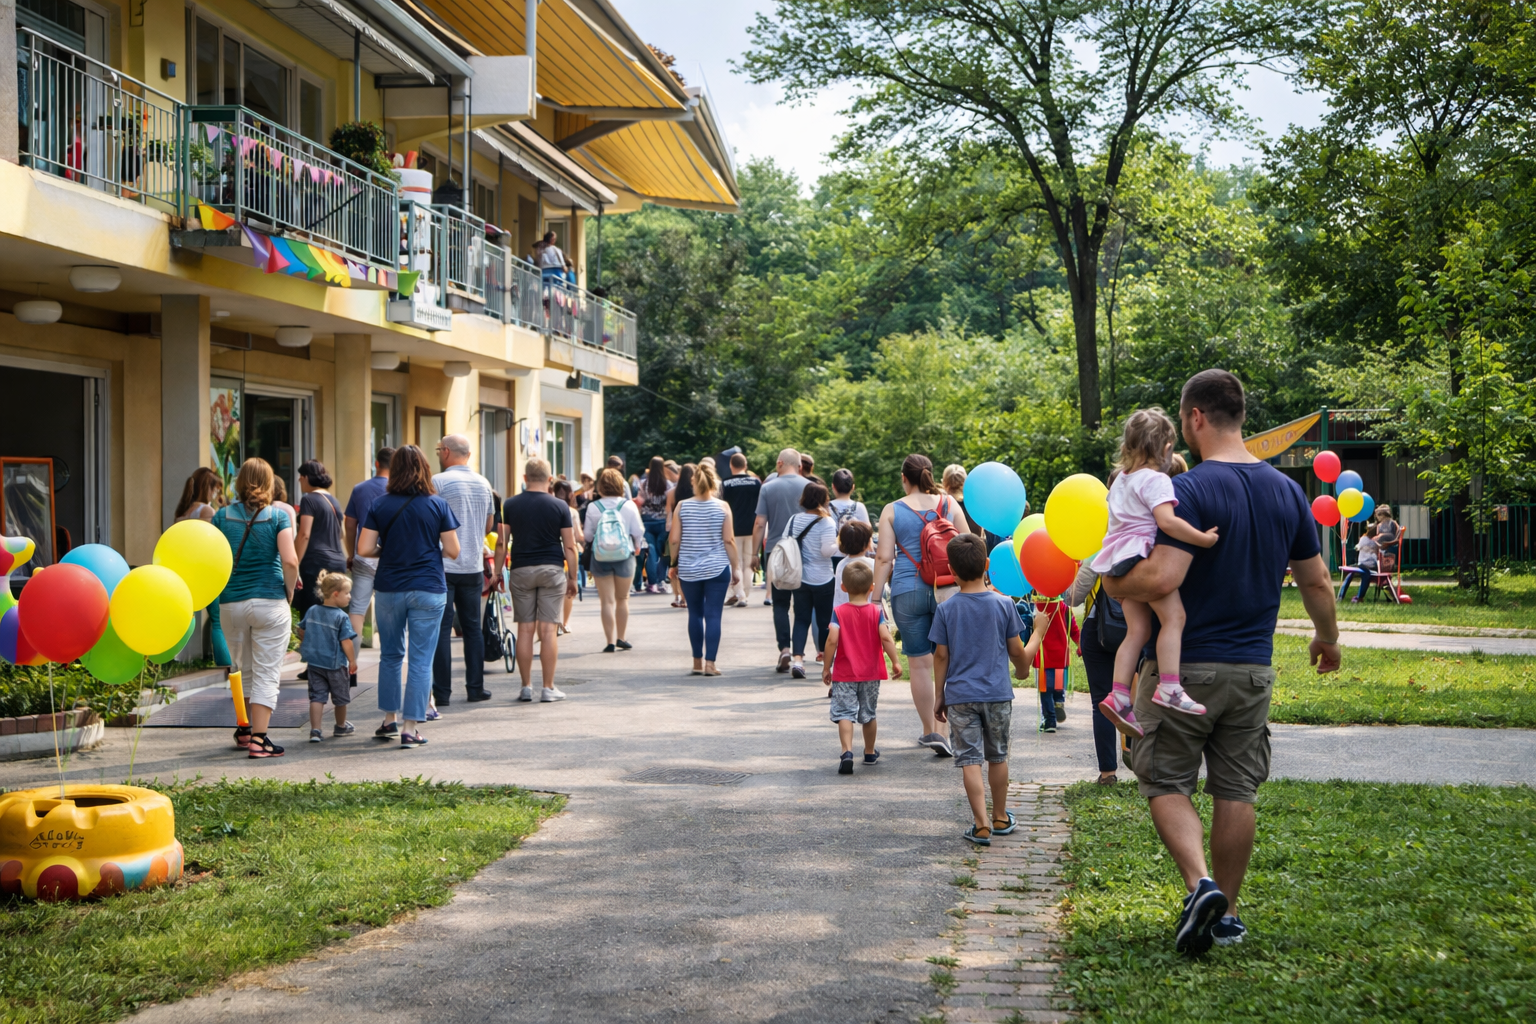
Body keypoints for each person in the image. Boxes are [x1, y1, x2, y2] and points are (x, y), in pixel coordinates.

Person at [1104, 369, 1341, 955]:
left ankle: (1200, 885)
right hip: (1253, 670)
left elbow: (1162, 577)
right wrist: (1326, 639)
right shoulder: (1287, 490)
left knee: (1164, 779)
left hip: (1185, 672)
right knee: (1237, 789)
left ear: (1195, 418)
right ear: (1240, 415)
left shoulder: (1188, 489)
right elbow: (1316, 580)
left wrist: (1110, 583)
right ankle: (1228, 916)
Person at [1094, 409, 1223, 738]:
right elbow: (1167, 522)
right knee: (1174, 618)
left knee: (1137, 630)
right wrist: (1202, 538)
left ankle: (1119, 695)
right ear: (1166, 449)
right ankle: (1169, 686)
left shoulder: (1121, 480)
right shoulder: (1156, 480)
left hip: (1117, 561)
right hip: (1140, 557)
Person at [931, 533, 1048, 845]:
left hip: (960, 698)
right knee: (998, 756)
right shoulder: (1004, 604)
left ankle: (980, 824)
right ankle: (999, 816)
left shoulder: (945, 609)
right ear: (987, 565)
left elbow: (941, 656)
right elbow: (1018, 655)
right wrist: (1038, 632)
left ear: (951, 570)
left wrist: (940, 694)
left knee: (969, 760)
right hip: (997, 695)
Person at [357, 445, 461, 749]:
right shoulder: (438, 505)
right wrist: (430, 551)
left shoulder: (379, 504)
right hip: (428, 588)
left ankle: (389, 719)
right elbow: (453, 551)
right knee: (420, 660)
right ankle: (410, 727)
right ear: (426, 469)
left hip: (389, 588)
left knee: (390, 655)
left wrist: (386, 551)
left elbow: (364, 548)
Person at [871, 453, 975, 756]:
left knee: (918, 663)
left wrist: (876, 599)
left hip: (908, 591)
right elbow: (969, 545)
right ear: (930, 474)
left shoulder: (892, 510)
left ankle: (930, 729)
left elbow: (884, 558)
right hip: (948, 589)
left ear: (904, 478)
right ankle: (944, 731)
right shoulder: (949, 503)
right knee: (949, 658)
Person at [211, 458, 298, 759]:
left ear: (239, 482)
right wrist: (289, 590)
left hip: (231, 604)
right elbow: (290, 561)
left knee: (242, 669)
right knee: (267, 672)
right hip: (269, 602)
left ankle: (245, 729)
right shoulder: (278, 516)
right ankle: (260, 741)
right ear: (270, 483)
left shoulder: (221, 516)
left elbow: (211, 558)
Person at [496, 457, 580, 702]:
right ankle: (548, 688)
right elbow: (570, 546)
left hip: (521, 570)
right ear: (550, 480)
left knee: (525, 629)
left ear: (525, 478)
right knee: (548, 629)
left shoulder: (510, 505)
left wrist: (497, 573)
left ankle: (525, 687)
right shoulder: (560, 506)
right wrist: (573, 577)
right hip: (552, 570)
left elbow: (501, 542)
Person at [430, 434, 496, 706]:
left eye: (438, 450)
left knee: (442, 630)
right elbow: (489, 525)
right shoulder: (484, 483)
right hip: (472, 566)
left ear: (446, 451)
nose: (438, 453)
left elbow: (430, 519)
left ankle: (442, 693)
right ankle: (475, 688)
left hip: (443, 565)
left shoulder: (437, 482)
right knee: (472, 629)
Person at [822, 558, 903, 774]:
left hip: (845, 674)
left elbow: (832, 640)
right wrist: (895, 661)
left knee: (845, 714)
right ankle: (869, 752)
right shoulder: (876, 612)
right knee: (869, 713)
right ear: (871, 588)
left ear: (843, 587)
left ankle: (847, 752)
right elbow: (885, 638)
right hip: (870, 673)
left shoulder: (839, 612)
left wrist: (826, 667)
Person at [668, 461, 738, 676]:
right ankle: (710, 664)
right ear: (714, 483)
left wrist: (673, 564)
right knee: (714, 615)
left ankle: (697, 662)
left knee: (695, 614)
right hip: (717, 568)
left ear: (693, 483)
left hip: (689, 569)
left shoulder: (682, 506)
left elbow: (674, 540)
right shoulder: (723, 507)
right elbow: (729, 540)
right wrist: (736, 567)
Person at [751, 448, 811, 668]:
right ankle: (799, 654)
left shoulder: (768, 487)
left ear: (779, 464)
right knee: (802, 605)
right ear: (800, 466)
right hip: (804, 552)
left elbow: (760, 523)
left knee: (780, 603)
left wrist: (754, 553)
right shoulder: (809, 487)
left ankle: (784, 649)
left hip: (776, 552)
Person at [1067, 559, 1124, 785]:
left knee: (1102, 700)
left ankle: (1108, 773)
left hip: (1099, 631)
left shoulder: (1097, 552)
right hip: (1139, 627)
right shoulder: (1145, 544)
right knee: (1140, 697)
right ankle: (1144, 765)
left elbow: (1073, 598)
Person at [780, 481, 839, 679]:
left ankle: (798, 660)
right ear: (824, 499)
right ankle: (825, 659)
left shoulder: (794, 519)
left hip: (800, 577)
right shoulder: (827, 522)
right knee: (824, 621)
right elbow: (826, 551)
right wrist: (839, 543)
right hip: (823, 578)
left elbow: (785, 542)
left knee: (801, 619)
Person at [583, 467, 645, 652]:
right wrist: (637, 546)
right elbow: (638, 531)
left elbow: (588, 536)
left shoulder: (593, 507)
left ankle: (609, 641)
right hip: (624, 555)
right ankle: (621, 638)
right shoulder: (628, 505)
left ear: (600, 486)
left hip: (600, 557)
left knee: (606, 601)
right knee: (623, 598)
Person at [176, 468, 230, 666]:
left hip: (187, 569)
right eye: (215, 489)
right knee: (218, 618)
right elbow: (214, 540)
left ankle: (178, 659)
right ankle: (226, 664)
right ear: (207, 488)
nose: (216, 494)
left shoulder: (183, 512)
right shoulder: (206, 511)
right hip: (207, 569)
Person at [297, 570, 358, 743]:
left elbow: (301, 629)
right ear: (335, 594)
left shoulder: (312, 610)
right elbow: (346, 642)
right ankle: (340, 726)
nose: (350, 596)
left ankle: (315, 731)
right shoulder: (341, 616)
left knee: (317, 697)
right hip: (336, 665)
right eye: (347, 593)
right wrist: (352, 660)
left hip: (315, 663)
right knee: (340, 698)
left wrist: (309, 642)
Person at [344, 448, 393, 644]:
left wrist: (351, 553)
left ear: (376, 463)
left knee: (357, 610)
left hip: (364, 557)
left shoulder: (360, 489)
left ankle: (352, 659)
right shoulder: (399, 490)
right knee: (391, 611)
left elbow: (349, 524)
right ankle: (392, 658)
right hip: (390, 558)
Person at [293, 460, 347, 618]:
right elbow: (341, 534)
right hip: (337, 562)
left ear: (307, 477)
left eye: (301, 476)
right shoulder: (334, 501)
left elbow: (304, 534)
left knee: (312, 614)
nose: (299, 480)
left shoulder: (309, 499)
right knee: (332, 613)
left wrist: (295, 563)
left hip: (316, 565)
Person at [719, 453, 762, 608]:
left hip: (732, 528)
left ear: (731, 465)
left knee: (735, 563)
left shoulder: (725, 483)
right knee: (749, 563)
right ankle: (746, 594)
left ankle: (740, 595)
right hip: (752, 527)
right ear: (746, 465)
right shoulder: (756, 482)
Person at [1030, 595, 1077, 732]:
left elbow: (1027, 628)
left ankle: (1050, 720)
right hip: (1061, 655)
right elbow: (1073, 629)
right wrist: (1080, 645)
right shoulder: (1063, 607)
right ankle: (1059, 701)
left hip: (1043, 656)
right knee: (1058, 684)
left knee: (1045, 689)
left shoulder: (1036, 608)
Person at [636, 457, 672, 595]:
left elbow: (639, 502)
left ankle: (652, 582)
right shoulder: (668, 484)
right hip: (663, 522)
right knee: (663, 552)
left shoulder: (644, 484)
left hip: (647, 521)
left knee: (651, 550)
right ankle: (661, 580)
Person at [551, 478, 582, 632]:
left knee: (554, 590)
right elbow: (578, 535)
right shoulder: (572, 512)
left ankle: (555, 621)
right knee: (569, 590)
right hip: (570, 554)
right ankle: (566, 622)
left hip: (554, 553)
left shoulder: (550, 508)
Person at [665, 464, 696, 608]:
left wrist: (668, 529)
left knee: (674, 562)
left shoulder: (672, 492)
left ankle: (678, 595)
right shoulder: (696, 492)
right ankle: (687, 596)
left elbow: (668, 512)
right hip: (691, 530)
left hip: (676, 529)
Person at [828, 469, 871, 566]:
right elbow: (868, 532)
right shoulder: (859, 507)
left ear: (833, 486)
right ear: (853, 487)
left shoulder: (826, 507)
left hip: (833, 555)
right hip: (856, 555)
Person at [833, 520, 874, 609]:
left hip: (845, 612)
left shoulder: (841, 564)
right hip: (869, 611)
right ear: (866, 543)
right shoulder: (872, 564)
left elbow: (839, 594)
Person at [941, 464, 986, 539]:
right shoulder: (975, 502)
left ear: (944, 482)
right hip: (976, 544)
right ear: (965, 481)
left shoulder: (942, 504)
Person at [1346, 523, 1381, 603]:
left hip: (1363, 564)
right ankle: (1359, 596)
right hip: (1372, 565)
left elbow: (1358, 547)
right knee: (1364, 575)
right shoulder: (1375, 541)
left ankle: (1346, 596)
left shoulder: (1363, 539)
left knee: (1353, 573)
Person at [1373, 505, 1401, 571]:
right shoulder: (1379, 525)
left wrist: (1388, 543)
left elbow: (1398, 536)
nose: (1377, 517)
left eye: (1378, 515)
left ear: (1383, 515)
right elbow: (1377, 537)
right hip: (1381, 547)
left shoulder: (1393, 523)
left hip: (1391, 546)